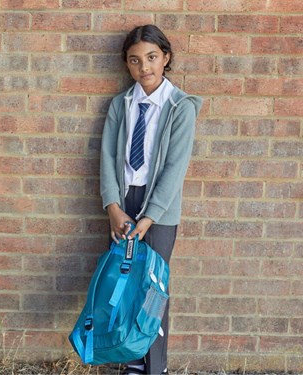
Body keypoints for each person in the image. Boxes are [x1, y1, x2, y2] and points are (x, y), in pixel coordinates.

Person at [99, 25, 202, 375]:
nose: (144, 66)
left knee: (153, 288)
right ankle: (129, 361)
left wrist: (150, 217)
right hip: (124, 202)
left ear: (166, 58)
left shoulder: (180, 107)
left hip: (159, 209)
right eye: (135, 60)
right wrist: (113, 207)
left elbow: (175, 167)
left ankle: (155, 367)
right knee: (124, 281)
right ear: (127, 65)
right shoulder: (121, 104)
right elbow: (106, 157)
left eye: (152, 57)